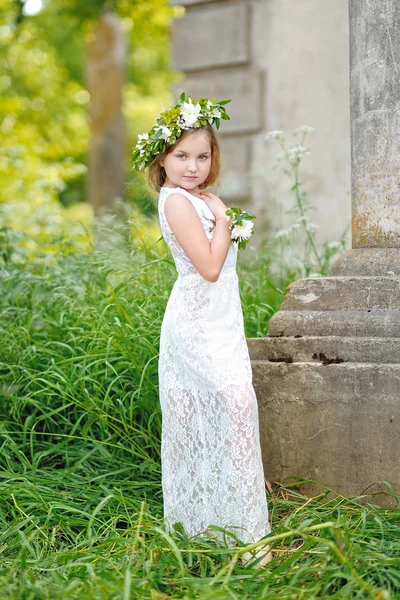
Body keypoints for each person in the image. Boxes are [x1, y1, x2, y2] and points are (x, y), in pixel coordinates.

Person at [132, 95, 272, 568]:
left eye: (202, 156)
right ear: (161, 159)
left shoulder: (196, 198)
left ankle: (233, 529)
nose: (192, 166)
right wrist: (227, 220)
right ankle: (217, 528)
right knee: (234, 404)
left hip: (220, 321)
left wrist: (219, 214)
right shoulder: (175, 202)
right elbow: (210, 267)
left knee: (227, 413)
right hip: (196, 324)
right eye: (181, 156)